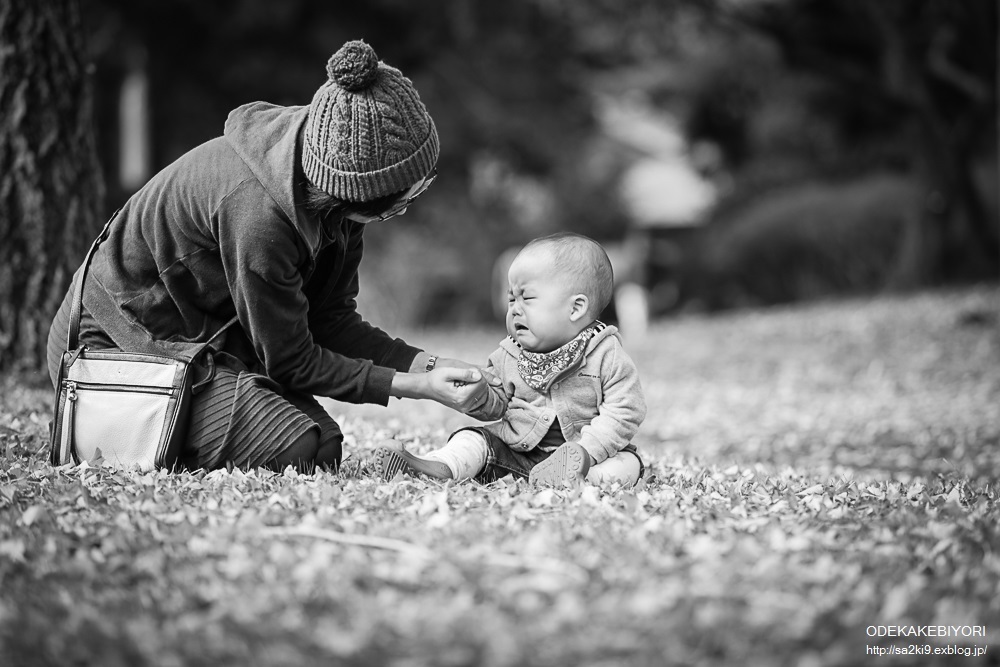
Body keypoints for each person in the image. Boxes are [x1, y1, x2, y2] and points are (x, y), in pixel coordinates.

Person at [46, 40, 494, 472]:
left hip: (200, 337)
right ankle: (119, 429)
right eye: (411, 196)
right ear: (369, 196)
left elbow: (330, 319)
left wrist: (429, 365)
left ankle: (218, 399)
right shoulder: (260, 216)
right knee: (300, 448)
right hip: (111, 343)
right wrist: (418, 388)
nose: (415, 199)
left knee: (324, 444)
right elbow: (291, 360)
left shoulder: (333, 181)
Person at [374, 233, 647, 486]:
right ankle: (439, 467)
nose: (515, 309)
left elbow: (625, 409)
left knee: (628, 464)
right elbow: (497, 405)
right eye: (511, 299)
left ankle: (578, 478)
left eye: (527, 298)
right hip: (518, 452)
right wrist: (480, 395)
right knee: (473, 440)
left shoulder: (605, 353)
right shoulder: (509, 354)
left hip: (588, 456)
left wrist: (587, 451)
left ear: (575, 308)